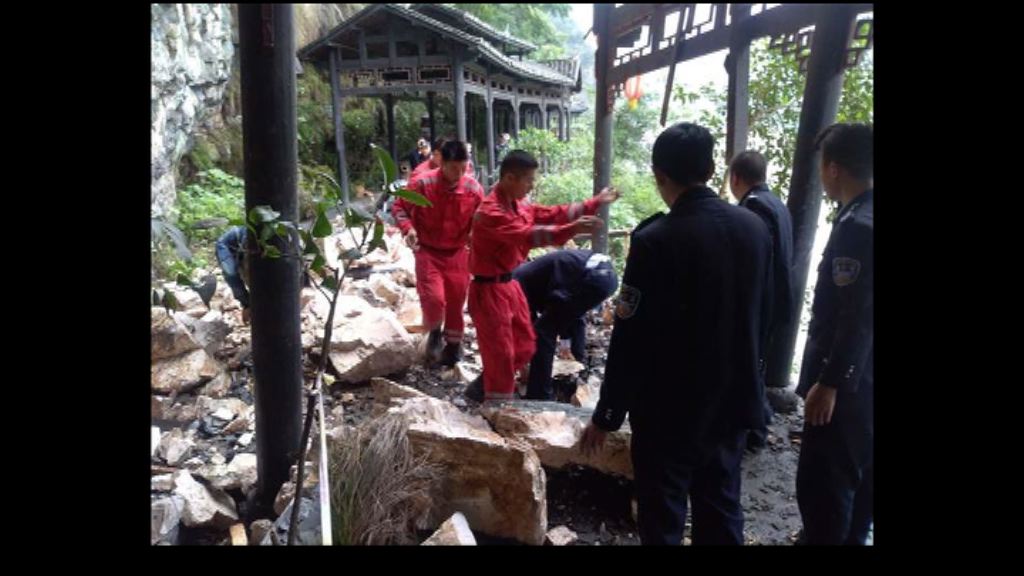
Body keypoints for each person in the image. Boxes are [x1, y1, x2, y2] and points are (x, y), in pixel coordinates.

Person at [579, 122, 773, 545]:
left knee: (662, 514)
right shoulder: (755, 229)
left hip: (670, 410)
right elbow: (765, 314)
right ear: (711, 168)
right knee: (722, 509)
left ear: (659, 175)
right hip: (732, 400)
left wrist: (607, 414)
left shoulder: (655, 240)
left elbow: (632, 338)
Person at [463, 150, 619, 402]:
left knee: (525, 345)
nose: (531, 185)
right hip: (489, 290)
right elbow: (528, 235)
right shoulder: (491, 212)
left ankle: (485, 386)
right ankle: (498, 411)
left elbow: (552, 213)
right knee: (502, 356)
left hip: (509, 285)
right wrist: (572, 229)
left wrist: (595, 202)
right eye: (528, 180)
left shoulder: (519, 203)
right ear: (510, 178)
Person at [795, 122, 873, 546]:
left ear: (835, 169)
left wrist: (828, 382)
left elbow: (856, 315)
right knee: (861, 491)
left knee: (825, 488)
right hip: (867, 385)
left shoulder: (856, 227)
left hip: (848, 391)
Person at [392, 140, 485, 366]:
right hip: (428, 251)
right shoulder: (423, 183)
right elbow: (399, 208)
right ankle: (434, 332)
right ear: (441, 162)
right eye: (454, 168)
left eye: (464, 168)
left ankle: (453, 345)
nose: (459, 173)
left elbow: (482, 216)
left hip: (458, 252)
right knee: (434, 298)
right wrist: (409, 229)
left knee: (456, 299)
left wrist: (475, 232)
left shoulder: (473, 188)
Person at [729, 150, 795, 452]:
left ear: (736, 178)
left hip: (760, 301)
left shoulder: (753, 208)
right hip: (776, 298)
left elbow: (753, 261)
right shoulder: (777, 204)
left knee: (747, 364)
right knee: (754, 364)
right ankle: (756, 424)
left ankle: (755, 427)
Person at [512, 249, 618, 400]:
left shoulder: (516, 283)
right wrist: (565, 341)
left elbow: (528, 328)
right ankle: (574, 377)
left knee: (543, 332)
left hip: (590, 276)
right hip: (606, 277)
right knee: (572, 318)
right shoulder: (530, 275)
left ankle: (539, 394)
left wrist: (523, 365)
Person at [215, 226, 251, 323]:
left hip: (239, 248)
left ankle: (249, 305)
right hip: (225, 246)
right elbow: (247, 268)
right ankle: (246, 304)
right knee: (231, 274)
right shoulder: (250, 237)